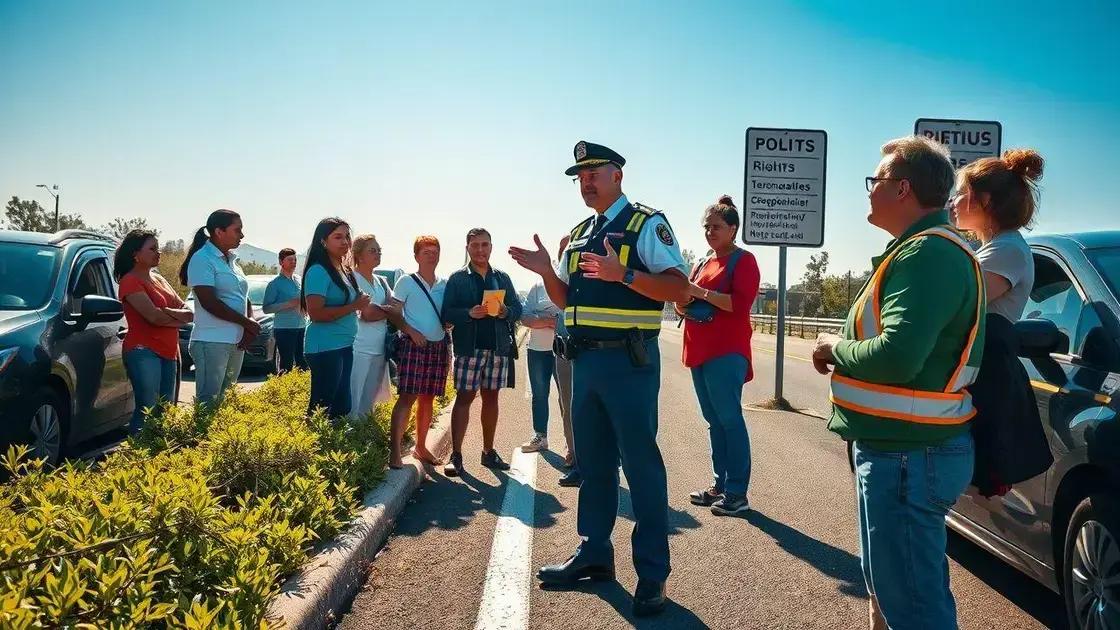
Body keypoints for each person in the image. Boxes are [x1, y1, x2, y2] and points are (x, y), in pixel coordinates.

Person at [510, 141, 691, 617]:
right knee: (593, 464)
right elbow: (567, 299)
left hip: (628, 364)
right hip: (585, 362)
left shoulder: (646, 223)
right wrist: (548, 269)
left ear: (618, 176)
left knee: (641, 466)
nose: (586, 181)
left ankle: (652, 574)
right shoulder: (579, 231)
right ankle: (594, 554)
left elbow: (678, 287)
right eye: (580, 175)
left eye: (594, 172)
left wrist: (624, 274)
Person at [812, 136, 985, 630]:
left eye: (877, 181)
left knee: (914, 606)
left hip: (910, 455)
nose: (869, 191)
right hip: (901, 449)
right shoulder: (920, 251)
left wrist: (833, 350)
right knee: (896, 591)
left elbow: (897, 357)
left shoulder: (927, 255)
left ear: (903, 188)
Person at [952, 149, 1052, 497]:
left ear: (985, 200)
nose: (954, 201)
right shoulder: (996, 248)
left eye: (962, 193)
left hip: (986, 378)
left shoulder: (1006, 249)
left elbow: (958, 305)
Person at [673, 195, 760, 517]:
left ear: (733, 229)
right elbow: (686, 299)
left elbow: (739, 304)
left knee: (729, 419)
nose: (710, 232)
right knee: (714, 421)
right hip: (698, 348)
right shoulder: (702, 262)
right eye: (706, 227)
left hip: (727, 350)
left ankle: (737, 493)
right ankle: (720, 485)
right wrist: (681, 302)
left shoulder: (744, 261)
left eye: (717, 227)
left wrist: (699, 293)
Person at [442, 228, 522, 476]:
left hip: (498, 348)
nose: (480, 250)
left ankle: (488, 452)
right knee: (464, 398)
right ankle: (456, 456)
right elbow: (446, 314)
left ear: (491, 247)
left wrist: (505, 312)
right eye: (475, 245)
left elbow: (517, 308)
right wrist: (468, 313)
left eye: (484, 245)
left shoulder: (502, 277)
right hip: (469, 349)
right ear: (467, 248)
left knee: (492, 399)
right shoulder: (457, 279)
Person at [114, 229, 193, 433]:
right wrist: (175, 318)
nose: (158, 253)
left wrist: (166, 312)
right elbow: (153, 317)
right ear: (135, 254)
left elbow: (189, 313)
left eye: (158, 248)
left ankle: (158, 458)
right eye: (152, 249)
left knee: (166, 411)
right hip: (144, 351)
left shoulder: (159, 279)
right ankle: (137, 457)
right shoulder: (130, 281)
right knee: (147, 410)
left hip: (169, 350)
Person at [180, 209, 259, 406]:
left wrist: (250, 323)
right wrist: (245, 322)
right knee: (209, 402)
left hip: (235, 341)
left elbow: (243, 295)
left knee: (226, 401)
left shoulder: (232, 261)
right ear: (219, 231)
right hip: (211, 341)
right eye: (237, 230)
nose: (242, 235)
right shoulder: (202, 258)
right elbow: (209, 302)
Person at [387, 236, 450, 469]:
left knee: (428, 398)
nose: (431, 255)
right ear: (416, 256)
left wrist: (449, 323)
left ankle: (421, 447)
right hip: (413, 346)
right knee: (407, 397)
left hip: (439, 345)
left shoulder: (444, 283)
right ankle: (394, 451)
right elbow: (393, 312)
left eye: (435, 251)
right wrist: (410, 331)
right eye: (426, 252)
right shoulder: (406, 281)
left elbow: (446, 313)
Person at [302, 218, 368, 419]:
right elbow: (316, 313)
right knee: (322, 409)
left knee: (341, 406)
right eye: (337, 237)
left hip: (344, 344)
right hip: (325, 347)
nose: (345, 242)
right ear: (323, 241)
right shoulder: (318, 271)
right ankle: (315, 448)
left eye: (347, 236)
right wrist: (354, 306)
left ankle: (333, 446)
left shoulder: (344, 270)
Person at [349, 234, 395, 419]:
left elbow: (397, 308)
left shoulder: (382, 281)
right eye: (372, 251)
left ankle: (365, 437)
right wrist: (387, 310)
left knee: (370, 402)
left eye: (379, 251)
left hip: (380, 347)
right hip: (358, 347)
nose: (377, 254)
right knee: (354, 398)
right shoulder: (351, 279)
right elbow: (367, 314)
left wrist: (381, 310)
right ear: (359, 255)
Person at [550, 235, 581, 488]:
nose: (567, 254)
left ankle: (593, 462)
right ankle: (577, 458)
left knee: (589, 408)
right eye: (563, 250)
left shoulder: (586, 278)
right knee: (567, 404)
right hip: (563, 349)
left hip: (587, 348)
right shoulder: (559, 280)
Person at [263, 247, 308, 373]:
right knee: (286, 364)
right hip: (284, 328)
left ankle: (300, 390)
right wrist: (288, 304)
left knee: (302, 363)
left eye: (295, 259)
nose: (293, 262)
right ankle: (282, 389)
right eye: (290, 260)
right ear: (281, 262)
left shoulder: (299, 280)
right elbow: (266, 308)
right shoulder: (274, 284)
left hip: (301, 326)